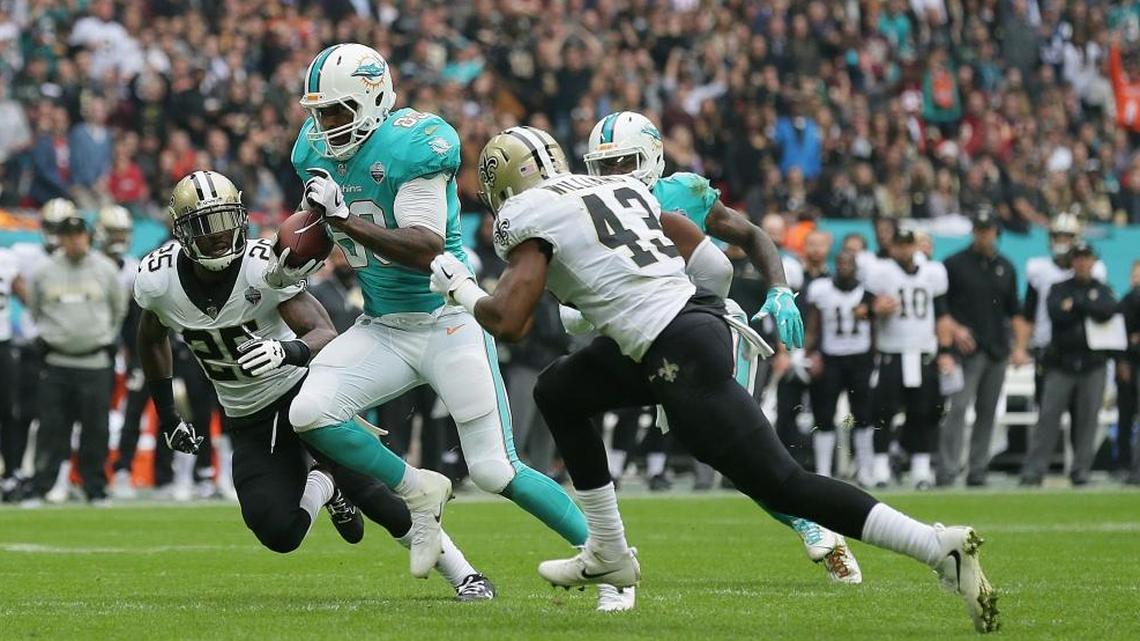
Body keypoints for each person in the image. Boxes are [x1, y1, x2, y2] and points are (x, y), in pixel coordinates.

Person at [433, 126, 997, 632]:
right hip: (683, 330)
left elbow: (508, 321)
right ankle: (608, 550)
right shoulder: (616, 188)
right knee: (559, 388)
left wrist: (460, 285)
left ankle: (934, 546)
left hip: (674, 347)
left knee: (782, 484)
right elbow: (697, 255)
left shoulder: (528, 215)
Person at [275, 43, 615, 609]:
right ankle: (418, 488)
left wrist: (341, 219)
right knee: (309, 412)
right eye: (318, 111)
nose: (323, 123)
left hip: (447, 320)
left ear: (374, 100)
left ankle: (608, 557)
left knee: (494, 468)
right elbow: (326, 233)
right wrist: (306, 243)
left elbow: (424, 244)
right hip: (382, 324)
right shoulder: (311, 147)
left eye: (336, 110)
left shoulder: (416, 143)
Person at [135, 171, 493, 600]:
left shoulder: (262, 267)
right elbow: (151, 339)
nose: (220, 236)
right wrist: (169, 415)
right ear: (181, 231)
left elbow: (322, 330)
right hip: (247, 415)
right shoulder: (158, 281)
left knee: (378, 497)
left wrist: (287, 352)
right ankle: (325, 485)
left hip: (305, 394)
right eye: (206, 226)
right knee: (278, 531)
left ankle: (466, 576)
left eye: (227, 221)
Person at [580, 111, 860, 583]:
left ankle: (818, 524)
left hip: (701, 334)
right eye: (603, 167)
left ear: (650, 158)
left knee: (738, 449)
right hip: (641, 341)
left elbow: (749, 234)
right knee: (721, 448)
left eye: (623, 163)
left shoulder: (681, 194)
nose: (611, 176)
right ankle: (602, 545)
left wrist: (780, 288)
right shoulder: (588, 206)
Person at [21, 211, 127, 506]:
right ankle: (41, 486)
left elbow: (119, 309)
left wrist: (103, 336)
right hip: (56, 362)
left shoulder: (105, 270)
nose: (74, 241)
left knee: (96, 429)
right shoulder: (44, 271)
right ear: (61, 239)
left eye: (79, 235)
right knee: (52, 428)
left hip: (94, 361)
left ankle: (95, 487)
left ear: (88, 237)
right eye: (68, 236)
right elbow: (34, 309)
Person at [1020, 242, 1117, 487]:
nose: (1082, 262)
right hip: (1061, 363)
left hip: (1092, 363)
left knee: (1087, 421)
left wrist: (1077, 305)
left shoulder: (1103, 288)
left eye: (1087, 258)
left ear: (1093, 261)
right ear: (1072, 261)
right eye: (1078, 258)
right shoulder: (1058, 287)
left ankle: (1080, 470)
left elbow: (1108, 311)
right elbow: (1056, 314)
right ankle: (1034, 470)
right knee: (1048, 418)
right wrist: (1087, 307)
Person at [937, 210, 1023, 487]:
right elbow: (941, 308)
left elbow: (1015, 312)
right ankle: (948, 470)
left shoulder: (1007, 266)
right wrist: (955, 330)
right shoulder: (954, 264)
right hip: (965, 350)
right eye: (979, 229)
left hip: (996, 350)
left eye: (987, 230)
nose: (983, 234)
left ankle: (978, 470)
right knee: (958, 409)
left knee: (988, 412)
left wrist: (1020, 346)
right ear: (973, 231)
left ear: (996, 232)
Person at [864, 229, 954, 489]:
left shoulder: (933, 272)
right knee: (883, 412)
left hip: (923, 352)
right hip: (891, 353)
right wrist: (874, 309)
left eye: (907, 244)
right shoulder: (880, 272)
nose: (903, 250)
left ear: (915, 245)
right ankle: (879, 467)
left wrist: (946, 352)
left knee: (923, 412)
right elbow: (860, 308)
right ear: (891, 247)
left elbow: (942, 314)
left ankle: (921, 469)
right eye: (899, 245)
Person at [803, 250, 875, 482]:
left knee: (862, 415)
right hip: (831, 358)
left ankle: (865, 469)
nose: (844, 267)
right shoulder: (821, 289)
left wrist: (876, 358)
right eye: (841, 262)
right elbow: (813, 326)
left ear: (856, 267)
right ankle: (823, 471)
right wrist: (807, 354)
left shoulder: (868, 294)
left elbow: (876, 329)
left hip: (860, 358)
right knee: (824, 415)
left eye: (849, 263)